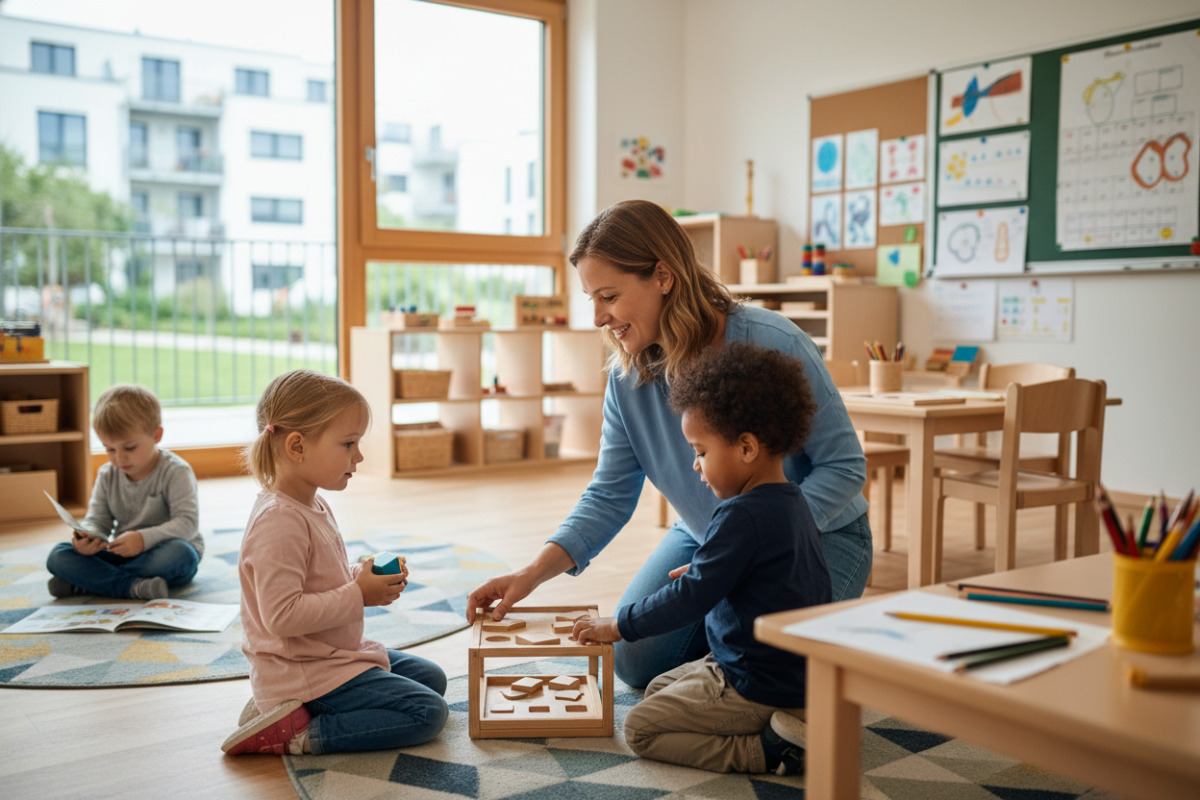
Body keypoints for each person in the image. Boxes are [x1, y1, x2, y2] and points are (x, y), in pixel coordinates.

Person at [467, 199, 871, 688]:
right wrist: (528, 576)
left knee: (775, 666)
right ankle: (722, 638)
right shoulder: (626, 379)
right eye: (591, 299)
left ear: (663, 276)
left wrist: (749, 547)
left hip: (813, 537)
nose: (598, 317)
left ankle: (732, 648)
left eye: (609, 297)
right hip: (709, 534)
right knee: (635, 661)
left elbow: (845, 468)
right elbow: (608, 494)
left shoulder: (773, 340)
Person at [572, 340, 829, 775]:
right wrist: (721, 569)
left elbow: (689, 598)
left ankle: (765, 751)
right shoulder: (790, 499)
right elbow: (782, 572)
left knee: (641, 727)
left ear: (746, 448)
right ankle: (791, 721)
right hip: (774, 670)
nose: (695, 466)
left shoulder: (740, 515)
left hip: (754, 680)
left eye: (701, 452)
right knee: (655, 688)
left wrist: (618, 625)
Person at [221, 369, 448, 756]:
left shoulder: (311, 502)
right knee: (428, 712)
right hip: (305, 671)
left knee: (432, 677)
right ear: (297, 447)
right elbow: (282, 616)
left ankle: (282, 710)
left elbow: (319, 579)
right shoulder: (278, 521)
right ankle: (296, 734)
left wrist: (363, 575)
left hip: (327, 655)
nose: (358, 456)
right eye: (348, 443)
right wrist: (358, 594)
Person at [45, 384, 201, 600]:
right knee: (59, 556)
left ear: (156, 435)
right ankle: (134, 587)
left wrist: (142, 539)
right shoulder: (107, 475)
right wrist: (88, 538)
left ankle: (88, 583)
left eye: (129, 448)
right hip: (120, 553)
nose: (119, 459)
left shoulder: (176, 472)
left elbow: (188, 523)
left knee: (181, 556)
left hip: (161, 552)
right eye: (109, 449)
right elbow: (98, 521)